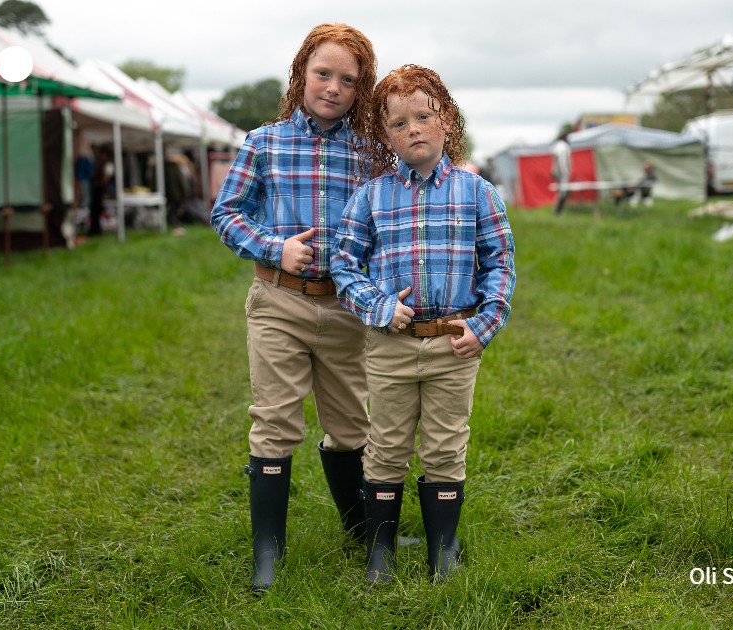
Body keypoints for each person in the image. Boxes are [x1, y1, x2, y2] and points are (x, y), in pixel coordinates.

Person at [209, 23, 378, 593]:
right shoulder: (265, 142)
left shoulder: (371, 150)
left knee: (351, 425)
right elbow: (226, 213)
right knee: (275, 422)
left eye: (347, 80)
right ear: (301, 74)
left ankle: (361, 532)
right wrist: (273, 247)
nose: (332, 88)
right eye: (322, 73)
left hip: (345, 309)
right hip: (279, 300)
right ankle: (267, 553)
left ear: (362, 89)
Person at [332, 65, 516, 584]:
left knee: (444, 445)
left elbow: (499, 263)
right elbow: (345, 263)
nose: (412, 129)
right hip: (391, 343)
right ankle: (380, 553)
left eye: (423, 117)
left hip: (454, 344)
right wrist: (377, 305)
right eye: (397, 123)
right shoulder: (372, 196)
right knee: (386, 445)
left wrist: (484, 324)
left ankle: (443, 551)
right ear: (385, 135)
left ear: (446, 121)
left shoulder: (477, 192)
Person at [88, 146, 114, 236]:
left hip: (100, 190)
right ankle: (94, 229)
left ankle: (96, 230)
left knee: (96, 210)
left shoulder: (108, 165)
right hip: (97, 189)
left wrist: (98, 184)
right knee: (94, 211)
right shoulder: (100, 163)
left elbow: (105, 179)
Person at [551, 131, 571, 214]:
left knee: (561, 192)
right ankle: (557, 212)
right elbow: (562, 161)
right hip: (561, 174)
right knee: (563, 193)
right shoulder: (563, 147)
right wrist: (565, 173)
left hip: (557, 173)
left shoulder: (557, 146)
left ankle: (557, 211)